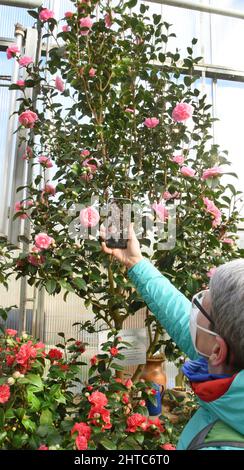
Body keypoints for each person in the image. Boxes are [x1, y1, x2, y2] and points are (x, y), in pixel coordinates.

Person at [100, 223, 244, 450]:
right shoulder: (230, 367)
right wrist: (135, 263)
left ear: (218, 351)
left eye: (201, 310)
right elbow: (178, 315)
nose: (192, 313)